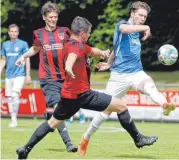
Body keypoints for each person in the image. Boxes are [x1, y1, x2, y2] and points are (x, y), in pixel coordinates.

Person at [16, 16, 157, 159]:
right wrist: (68, 67)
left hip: (68, 97)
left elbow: (92, 51)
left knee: (52, 122)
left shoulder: (76, 43)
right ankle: (138, 139)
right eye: (89, 33)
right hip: (84, 95)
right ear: (82, 33)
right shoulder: (75, 47)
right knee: (121, 106)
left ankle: (25, 149)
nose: (89, 35)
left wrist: (103, 53)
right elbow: (71, 57)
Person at [78, 1, 176, 156]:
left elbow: (116, 47)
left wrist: (108, 63)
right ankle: (85, 138)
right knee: (105, 112)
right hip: (119, 76)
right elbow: (123, 31)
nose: (143, 19)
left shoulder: (137, 31)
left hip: (136, 73)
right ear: (132, 13)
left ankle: (164, 104)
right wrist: (146, 27)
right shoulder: (122, 25)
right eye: (140, 15)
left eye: (145, 17)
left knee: (149, 84)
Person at [15, 2, 77, 152]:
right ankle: (68, 143)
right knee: (59, 109)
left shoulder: (65, 31)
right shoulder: (39, 34)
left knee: (66, 110)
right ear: (44, 17)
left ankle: (49, 115)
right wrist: (23, 56)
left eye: (55, 17)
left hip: (65, 78)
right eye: (50, 17)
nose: (53, 20)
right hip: (48, 79)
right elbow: (35, 48)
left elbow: (73, 47)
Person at [0, 24, 31, 128]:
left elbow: (27, 58)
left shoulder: (23, 44)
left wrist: (28, 74)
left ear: (18, 32)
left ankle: (14, 120)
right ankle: (13, 119)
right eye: (11, 31)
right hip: (9, 75)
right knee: (9, 98)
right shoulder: (5, 44)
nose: (13, 33)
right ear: (8, 32)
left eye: (15, 31)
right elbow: (3, 60)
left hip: (19, 74)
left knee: (14, 94)